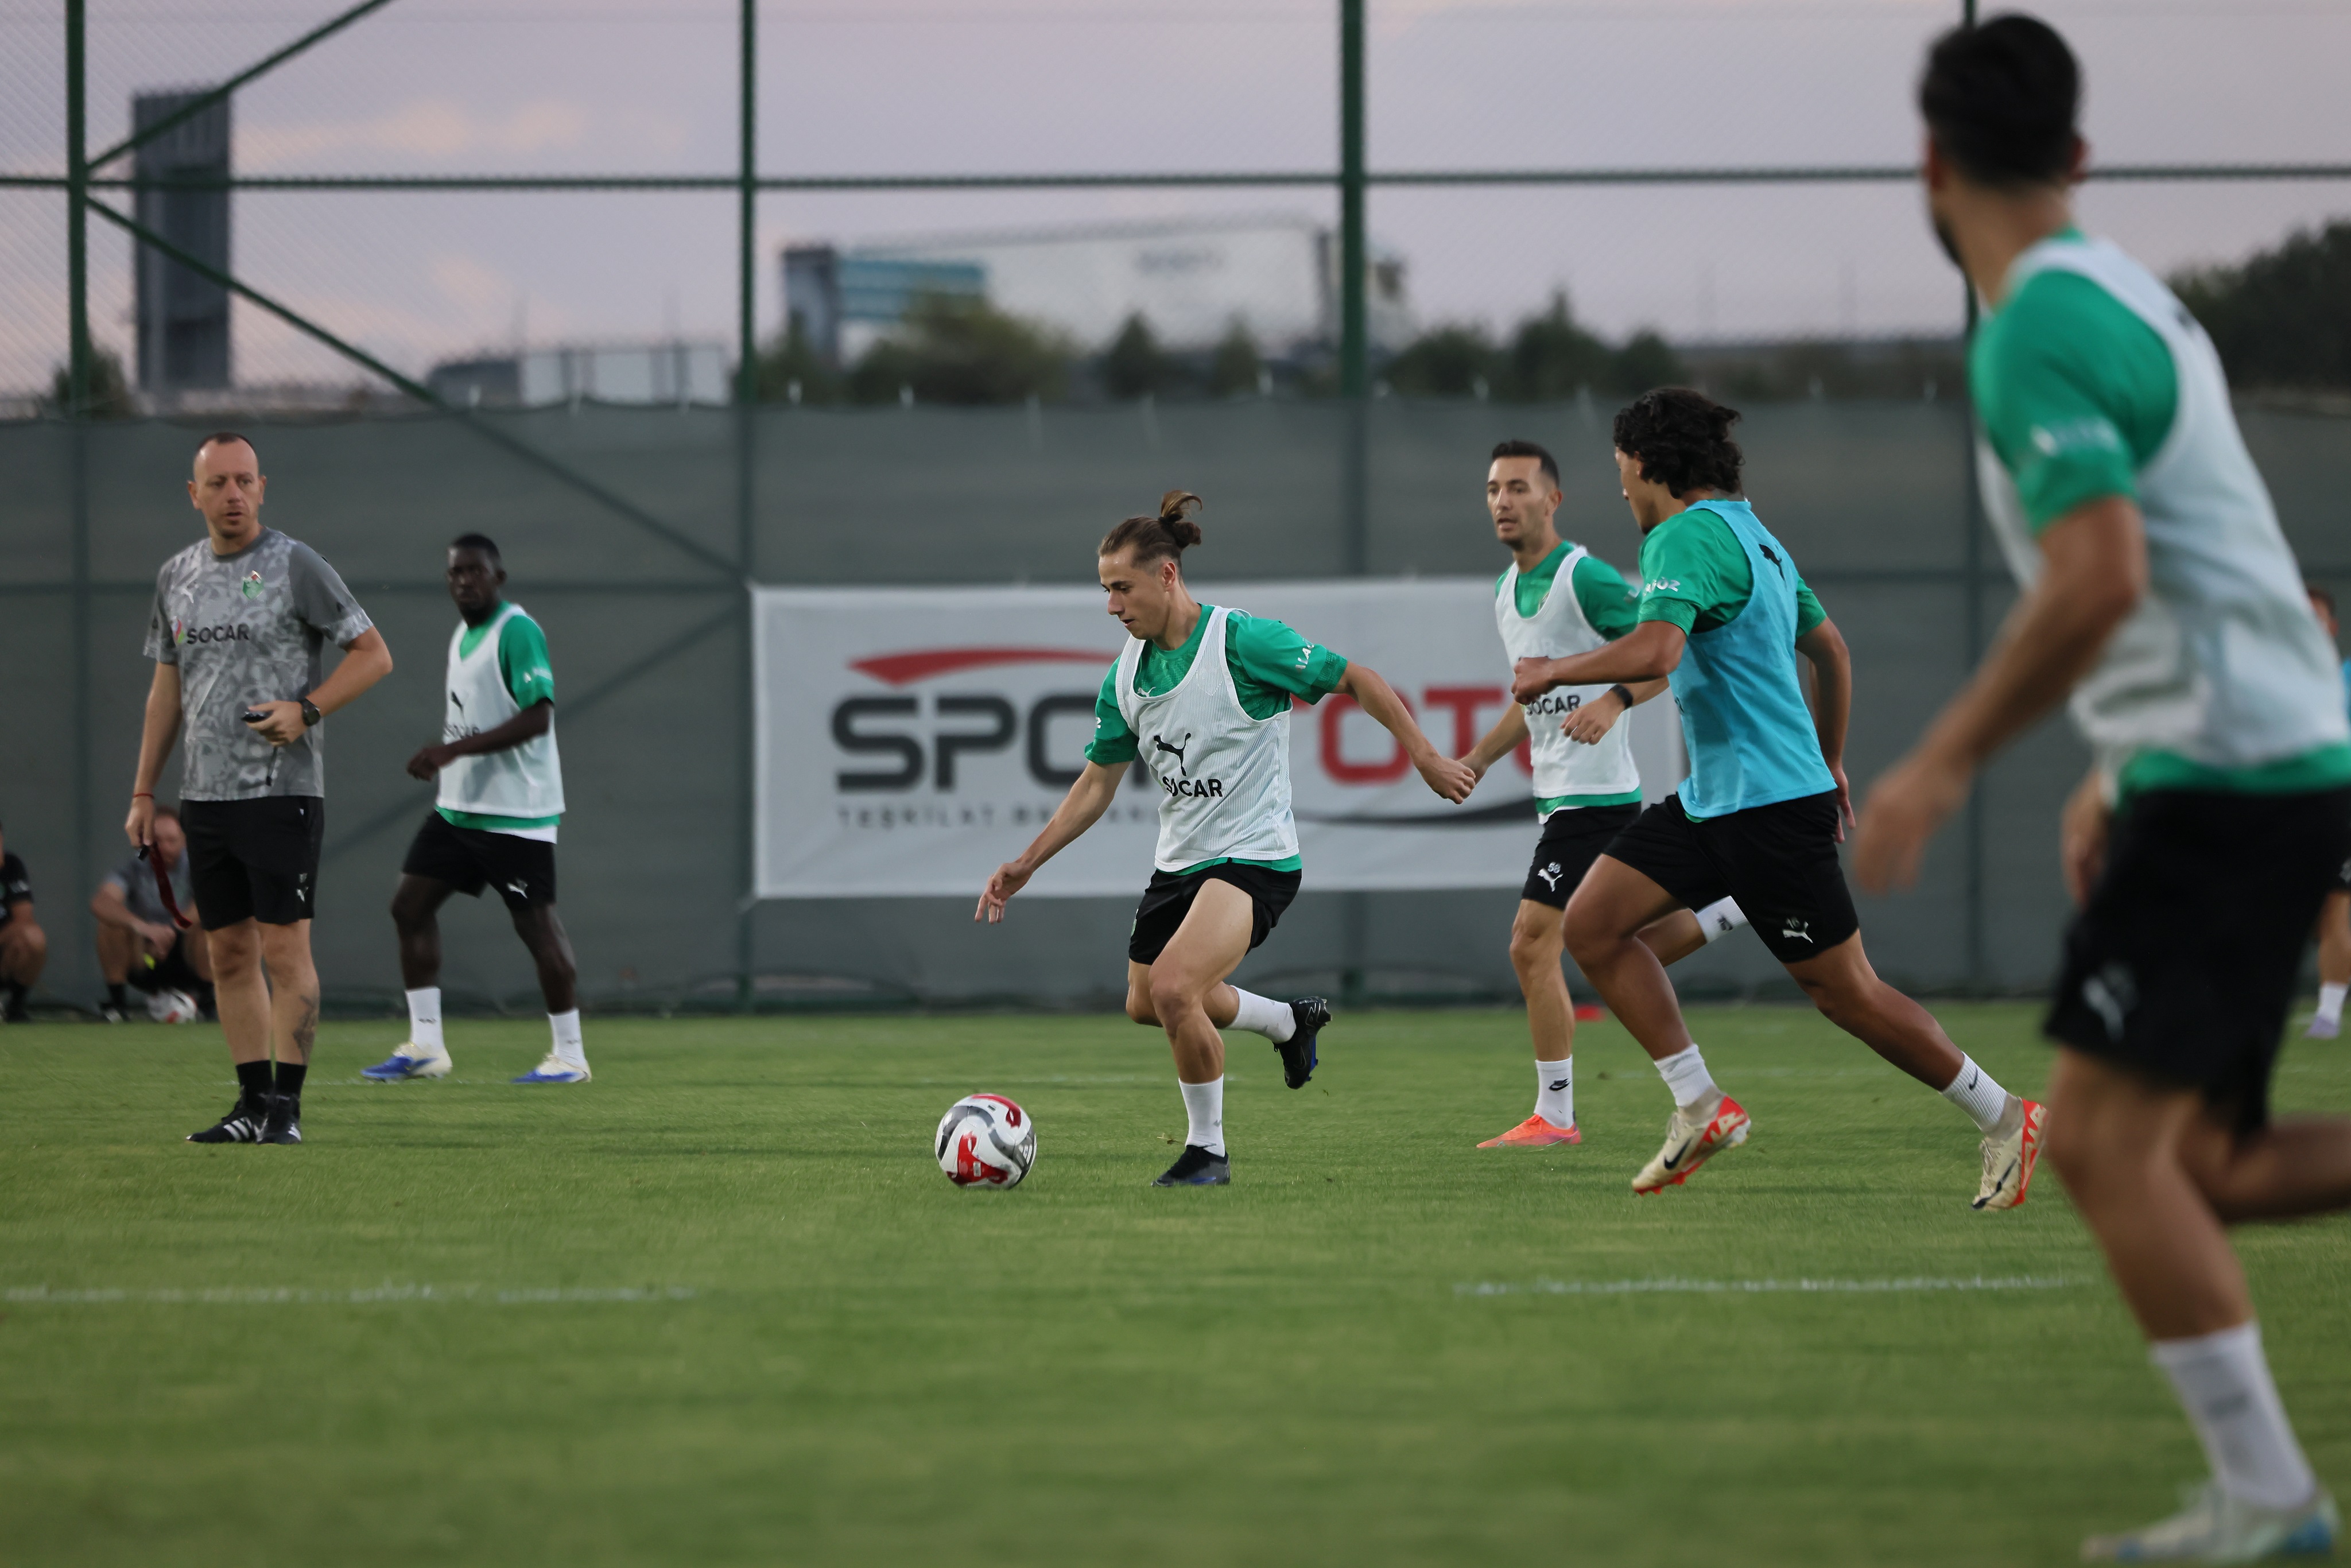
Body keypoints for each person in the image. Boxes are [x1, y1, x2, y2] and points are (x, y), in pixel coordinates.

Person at [1853, 17, 2351, 1558]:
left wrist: (1940, 761)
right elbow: (2203, 570)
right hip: (2244, 754)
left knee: (2118, 1152)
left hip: (2235, 772)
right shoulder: (2131, 295)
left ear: (1928, 167)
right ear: (2076, 154)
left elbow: (2104, 577)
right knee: (2199, 1164)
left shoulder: (2037, 333)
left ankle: (2273, 1503)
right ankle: (2269, 1498)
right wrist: (2111, 764)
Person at [1526, 389, 2038, 1204]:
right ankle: (1700, 1105)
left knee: (1849, 996)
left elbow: (1659, 648)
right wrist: (1832, 757)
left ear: (1654, 469)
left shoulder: (1684, 534)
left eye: (1624, 473)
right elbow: (1830, 650)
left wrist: (1555, 669)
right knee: (1592, 926)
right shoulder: (1756, 537)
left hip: (1765, 809)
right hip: (1719, 800)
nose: (1622, 490)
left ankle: (2007, 1116)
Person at [977, 491, 1475, 1185]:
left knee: (1178, 988)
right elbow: (1096, 784)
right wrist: (1025, 862)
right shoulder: (1123, 678)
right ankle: (1285, 1021)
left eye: (1122, 587)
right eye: (1105, 590)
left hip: (1254, 857)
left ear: (1168, 575)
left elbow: (1354, 677)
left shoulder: (1241, 641)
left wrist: (1420, 752)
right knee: (1145, 1003)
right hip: (1179, 863)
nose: (1113, 605)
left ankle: (1206, 1152)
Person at [1453, 438, 1748, 1150]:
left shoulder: (1581, 578)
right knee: (1614, 945)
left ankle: (1555, 1117)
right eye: (1494, 488)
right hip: (1559, 799)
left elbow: (1663, 654)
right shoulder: (1504, 591)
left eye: (1519, 487)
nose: (1503, 500)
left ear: (1552, 500)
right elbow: (1533, 699)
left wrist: (1615, 700)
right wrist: (1479, 760)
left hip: (1597, 798)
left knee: (1531, 946)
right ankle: (1733, 907)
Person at [130, 432, 393, 1145]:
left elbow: (374, 655)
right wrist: (144, 793)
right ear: (195, 494)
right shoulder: (176, 575)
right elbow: (166, 691)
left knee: (284, 951)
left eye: (244, 480)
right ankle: (250, 1104)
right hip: (204, 798)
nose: (233, 495)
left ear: (263, 487)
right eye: (217, 483)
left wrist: (305, 708)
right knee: (228, 955)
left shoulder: (293, 564)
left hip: (281, 793)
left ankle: (287, 1110)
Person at [366, 534, 586, 1085]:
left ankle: (570, 1055)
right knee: (408, 907)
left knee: (538, 929)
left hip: (516, 815)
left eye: (475, 571)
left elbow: (538, 717)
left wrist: (450, 751)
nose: (464, 580)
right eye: (455, 572)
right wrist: (452, 761)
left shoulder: (517, 631)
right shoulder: (463, 634)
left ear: (498, 577)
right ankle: (427, 1046)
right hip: (459, 810)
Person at [91, 804, 214, 1022]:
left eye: (171, 840)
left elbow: (211, 900)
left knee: (210, 924)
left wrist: (173, 930)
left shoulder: (198, 867)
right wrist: (144, 928)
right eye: (157, 840)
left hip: (185, 954)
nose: (164, 847)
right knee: (109, 926)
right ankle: (117, 1007)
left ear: (184, 841)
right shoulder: (134, 868)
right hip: (146, 957)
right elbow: (102, 902)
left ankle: (208, 1004)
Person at [2301, 583, 2351, 1040]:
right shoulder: (2273, 682)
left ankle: (2329, 1016)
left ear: (2332, 627)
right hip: (2287, 807)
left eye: (2317, 618)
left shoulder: (2348, 678)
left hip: (2341, 804)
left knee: (2336, 907)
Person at [0, 820, 44, 1023]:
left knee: (34, 938)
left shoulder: (11, 865)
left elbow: (25, 920)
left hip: (3, 949)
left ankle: (15, 1008)